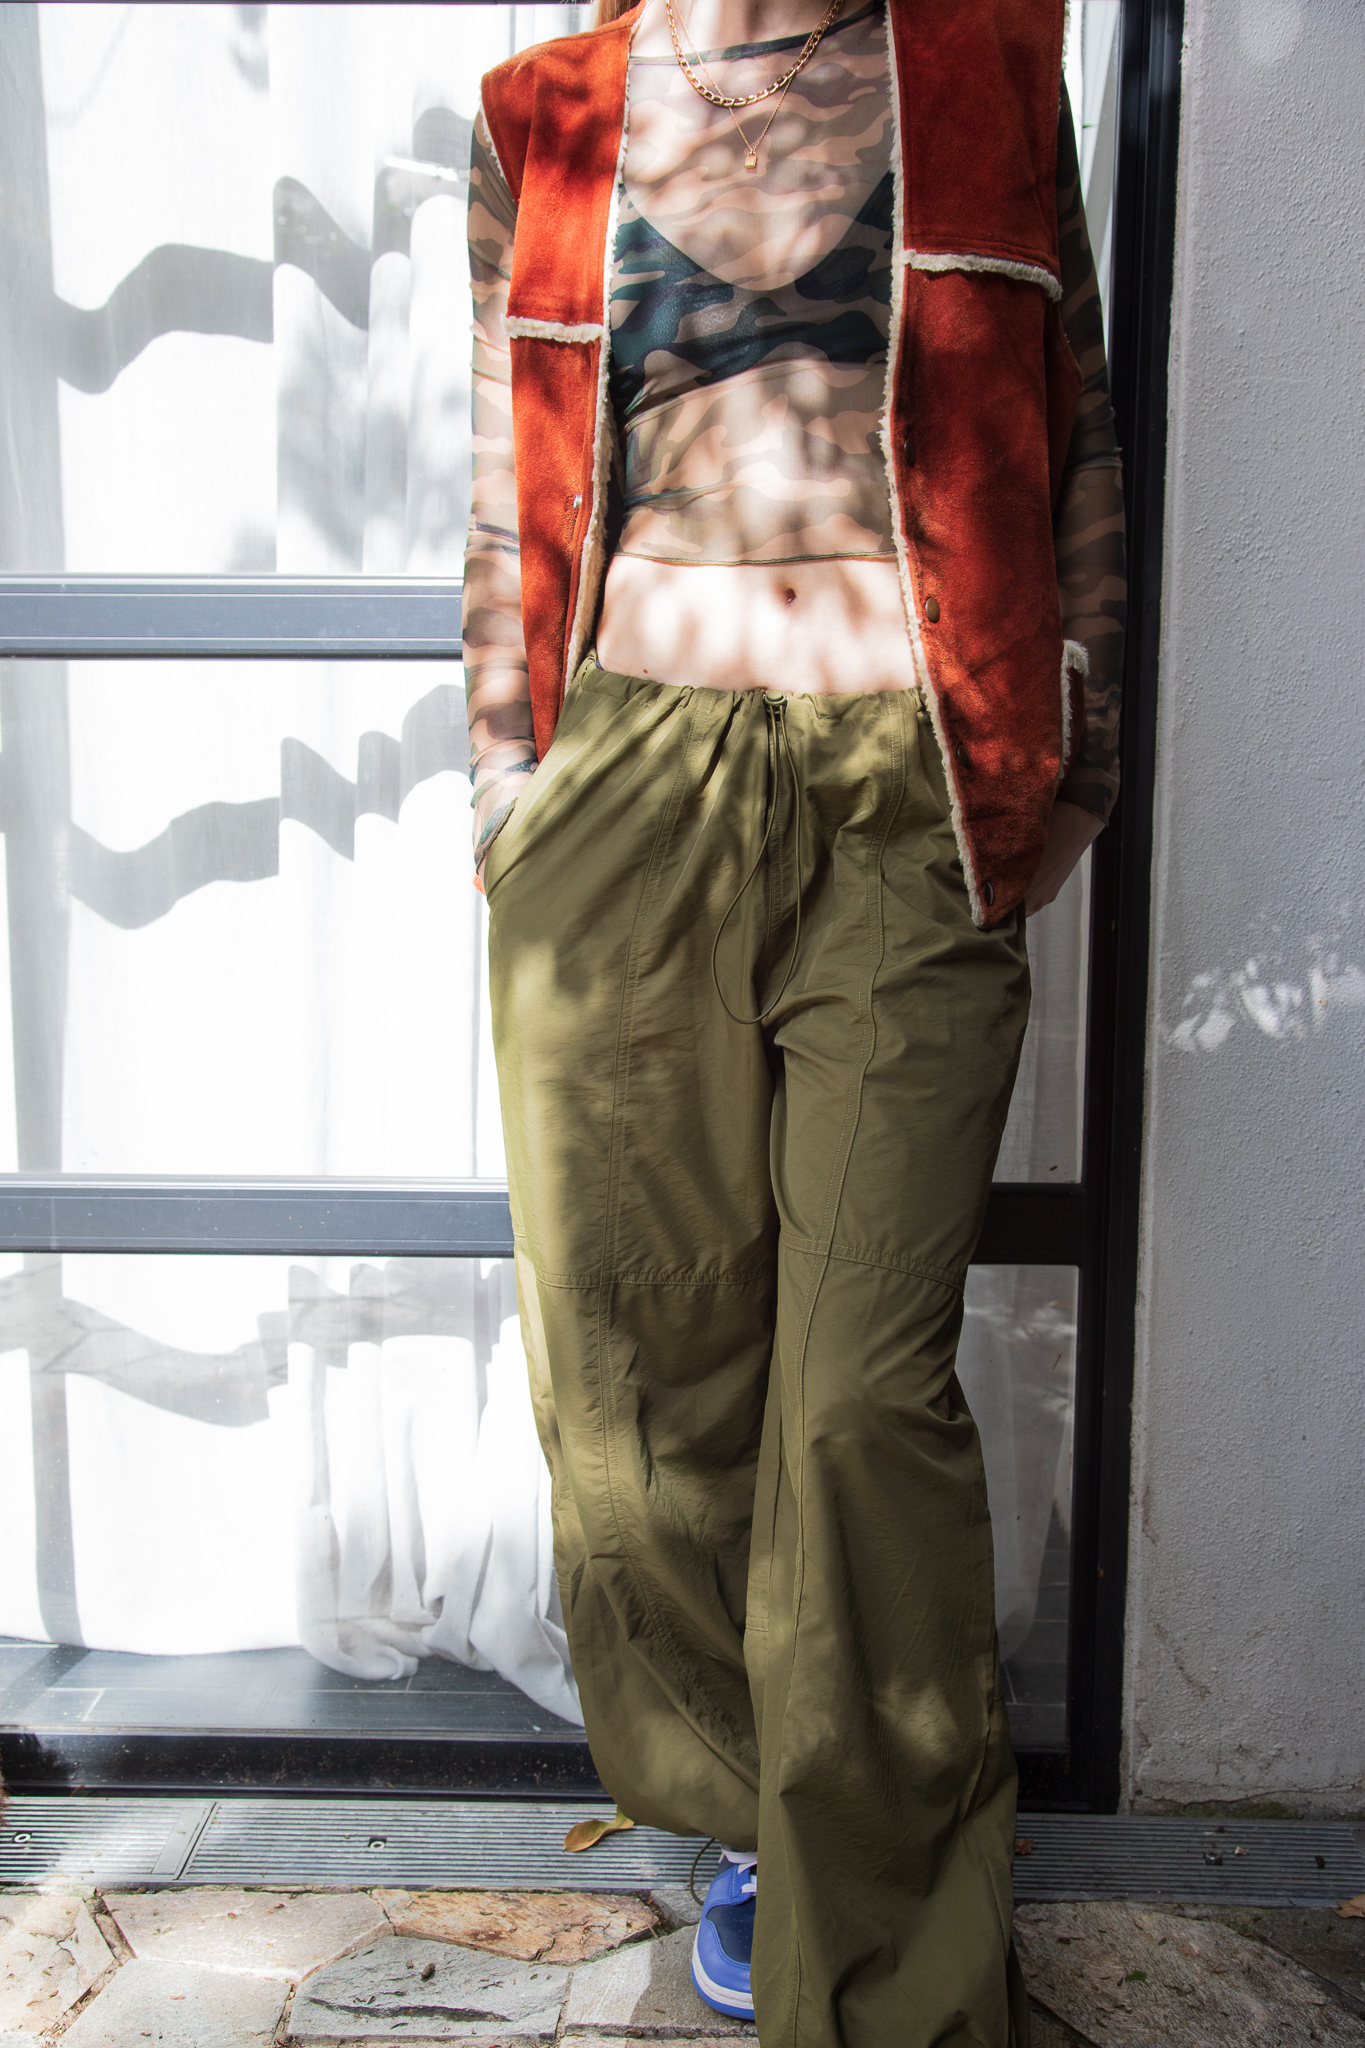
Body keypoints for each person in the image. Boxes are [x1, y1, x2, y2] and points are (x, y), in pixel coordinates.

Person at [462, 0, 1125, 2040]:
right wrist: (505, 776)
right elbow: (503, 475)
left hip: (903, 786)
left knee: (858, 1396)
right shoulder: (545, 114)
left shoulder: (990, 64)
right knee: (632, 1370)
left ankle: (901, 1972)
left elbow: (1078, 432)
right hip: (625, 783)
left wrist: (1075, 741)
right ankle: (773, 1802)